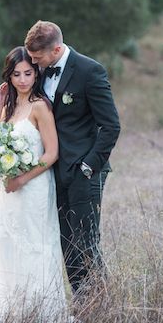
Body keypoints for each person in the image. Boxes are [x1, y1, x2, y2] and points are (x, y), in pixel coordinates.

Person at [24, 21, 121, 303]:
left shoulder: (90, 71)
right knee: (67, 244)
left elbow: (111, 126)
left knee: (86, 243)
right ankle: (84, 303)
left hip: (85, 172)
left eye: (37, 57)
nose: (33, 62)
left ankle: (104, 306)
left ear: (55, 49)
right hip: (54, 172)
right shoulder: (40, 73)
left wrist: (89, 165)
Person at [0, 46, 67, 321]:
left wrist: (22, 177)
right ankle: (15, 312)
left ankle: (44, 312)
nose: (22, 80)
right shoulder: (10, 107)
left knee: (35, 246)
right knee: (9, 244)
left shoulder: (40, 106)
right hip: (9, 192)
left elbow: (51, 153)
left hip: (33, 187)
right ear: (9, 77)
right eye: (16, 74)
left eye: (28, 73)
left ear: (36, 74)